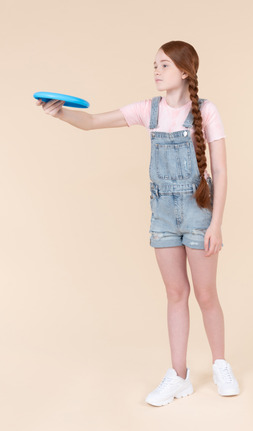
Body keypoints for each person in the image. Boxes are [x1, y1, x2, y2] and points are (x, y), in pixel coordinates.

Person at [35, 40, 240, 407]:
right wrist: (60, 112)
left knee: (206, 295)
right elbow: (93, 122)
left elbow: (222, 170)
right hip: (162, 213)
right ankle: (179, 376)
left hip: (199, 210)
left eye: (163, 65)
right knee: (176, 295)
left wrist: (216, 224)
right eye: (155, 65)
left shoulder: (207, 111)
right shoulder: (149, 110)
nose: (156, 71)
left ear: (184, 71)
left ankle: (221, 364)